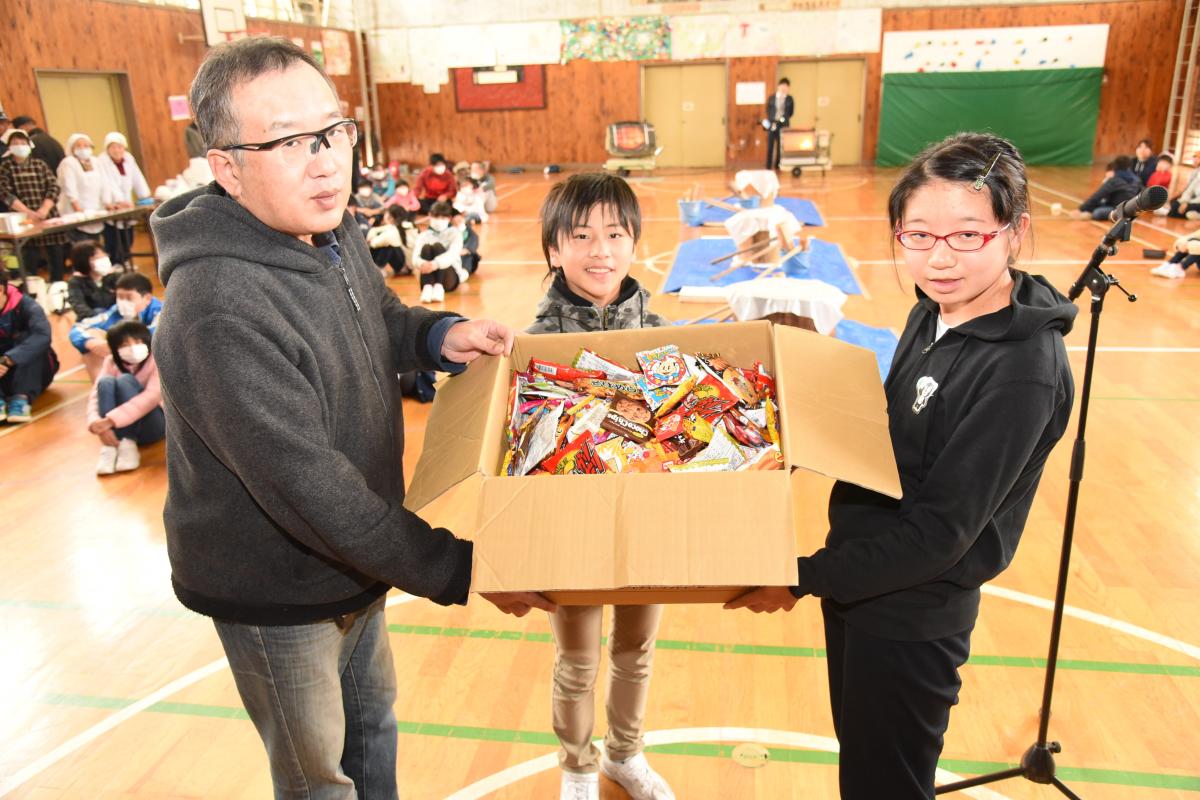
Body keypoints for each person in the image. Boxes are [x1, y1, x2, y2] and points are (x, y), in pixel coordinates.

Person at [149, 37, 550, 800]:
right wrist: (463, 567)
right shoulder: (217, 310)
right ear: (226, 167)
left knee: (373, 729)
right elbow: (314, 494)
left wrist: (435, 335)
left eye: (332, 132)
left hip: (359, 556)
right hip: (278, 588)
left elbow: (375, 317)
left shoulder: (325, 230)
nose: (327, 161)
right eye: (289, 143)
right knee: (319, 779)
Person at [726, 132, 1077, 800]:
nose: (939, 259)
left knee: (885, 785)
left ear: (1015, 230)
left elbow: (940, 535)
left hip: (913, 613)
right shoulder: (932, 311)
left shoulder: (1021, 373)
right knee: (863, 769)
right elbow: (886, 435)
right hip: (859, 580)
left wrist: (798, 578)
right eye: (917, 235)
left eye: (966, 235)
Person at [527, 173, 674, 800]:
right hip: (572, 530)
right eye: (581, 235)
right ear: (554, 250)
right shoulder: (532, 345)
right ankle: (578, 765)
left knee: (636, 651)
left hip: (645, 521)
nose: (600, 250)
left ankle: (624, 754)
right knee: (579, 660)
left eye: (615, 233)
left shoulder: (664, 335)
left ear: (635, 242)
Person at [86, 320, 164, 474]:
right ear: (115, 349)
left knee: (124, 380)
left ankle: (127, 442)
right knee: (105, 382)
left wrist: (110, 421)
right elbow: (96, 394)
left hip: (154, 425)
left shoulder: (157, 359)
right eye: (124, 345)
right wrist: (95, 422)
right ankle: (111, 446)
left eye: (137, 341)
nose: (132, 348)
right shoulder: (111, 361)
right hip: (116, 425)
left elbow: (151, 398)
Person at [0, 128, 69, 281]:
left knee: (57, 260)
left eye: (22, 142)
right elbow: (5, 193)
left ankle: (57, 288)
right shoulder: (5, 167)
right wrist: (27, 212)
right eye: (15, 143)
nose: (19, 145)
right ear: (9, 147)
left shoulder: (40, 164)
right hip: (23, 221)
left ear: (29, 144)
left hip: (47, 216)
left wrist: (44, 209)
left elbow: (54, 186)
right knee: (28, 261)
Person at [68, 271, 162, 380]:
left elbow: (153, 336)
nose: (123, 302)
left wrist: (118, 344)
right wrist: (92, 343)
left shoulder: (161, 312)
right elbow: (78, 328)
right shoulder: (116, 311)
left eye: (128, 297)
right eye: (119, 297)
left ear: (147, 298)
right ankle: (101, 388)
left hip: (157, 367)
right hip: (128, 365)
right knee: (91, 337)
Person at [0, 268, 58, 424]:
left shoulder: (27, 306)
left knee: (30, 339)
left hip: (32, 371)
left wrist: (9, 359)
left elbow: (43, 336)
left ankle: (21, 399)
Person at [96, 131, 152, 268]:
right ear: (107, 149)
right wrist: (117, 201)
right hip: (111, 204)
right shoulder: (101, 161)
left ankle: (126, 259)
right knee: (113, 237)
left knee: (128, 235)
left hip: (127, 203)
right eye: (112, 147)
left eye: (119, 146)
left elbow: (137, 177)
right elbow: (106, 183)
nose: (116, 150)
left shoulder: (128, 158)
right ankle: (115, 262)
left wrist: (144, 195)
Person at [412, 201, 468, 303]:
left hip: (449, 278)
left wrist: (435, 264)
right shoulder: (424, 235)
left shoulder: (455, 233)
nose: (438, 221)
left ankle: (438, 287)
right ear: (430, 215)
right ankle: (427, 288)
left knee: (438, 246)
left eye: (443, 218)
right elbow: (415, 257)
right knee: (426, 247)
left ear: (449, 219)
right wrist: (422, 263)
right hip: (428, 274)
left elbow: (452, 254)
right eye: (436, 217)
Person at [57, 133, 109, 241]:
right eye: (79, 146)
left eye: (86, 145)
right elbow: (69, 186)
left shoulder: (95, 161)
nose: (83, 148)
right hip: (76, 213)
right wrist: (78, 209)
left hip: (95, 211)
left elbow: (104, 183)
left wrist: (107, 203)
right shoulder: (68, 163)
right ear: (72, 148)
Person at [1069, 157, 1140, 220]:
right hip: (1132, 210)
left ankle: (1090, 214)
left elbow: (1098, 195)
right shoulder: (1136, 179)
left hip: (1118, 209)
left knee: (1097, 212)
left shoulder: (1114, 180)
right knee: (1098, 205)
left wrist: (1080, 209)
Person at [66, 240, 119, 318]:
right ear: (84, 261)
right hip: (93, 320)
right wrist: (101, 318)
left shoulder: (114, 277)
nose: (103, 259)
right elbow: (79, 306)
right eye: (96, 258)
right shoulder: (76, 282)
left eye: (104, 255)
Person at [366, 204, 412, 279]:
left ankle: (379, 268)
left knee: (387, 246)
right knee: (381, 238)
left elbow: (373, 244)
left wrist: (371, 238)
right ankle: (377, 268)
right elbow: (375, 230)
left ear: (391, 217)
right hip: (407, 263)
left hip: (405, 266)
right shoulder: (405, 225)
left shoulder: (393, 231)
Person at [764, 78, 794, 171]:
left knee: (780, 146)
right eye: (782, 86)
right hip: (772, 123)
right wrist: (772, 120)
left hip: (783, 125)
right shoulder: (772, 98)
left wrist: (783, 118)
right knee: (770, 145)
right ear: (779, 86)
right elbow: (768, 110)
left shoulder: (789, 99)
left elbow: (791, 112)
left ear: (788, 88)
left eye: (786, 86)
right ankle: (768, 166)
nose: (784, 88)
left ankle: (778, 165)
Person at [451, 211, 481, 277]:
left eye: (460, 220)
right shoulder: (449, 231)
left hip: (464, 255)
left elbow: (474, 240)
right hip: (452, 255)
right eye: (455, 221)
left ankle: (464, 272)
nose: (458, 223)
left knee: (468, 257)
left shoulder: (467, 230)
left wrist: (466, 250)